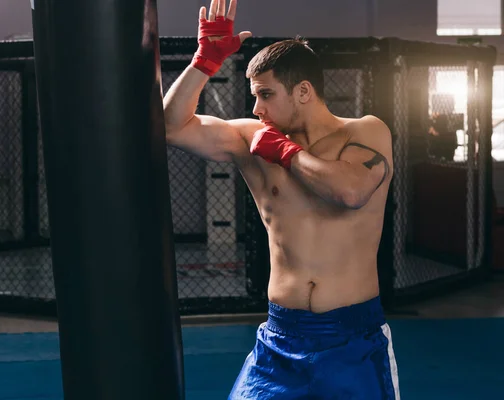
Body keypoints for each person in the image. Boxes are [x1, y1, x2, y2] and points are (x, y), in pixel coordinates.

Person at [163, 0, 400, 398]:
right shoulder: (250, 136)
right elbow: (170, 128)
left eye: (266, 95)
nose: (257, 108)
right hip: (279, 340)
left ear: (304, 91)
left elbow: (351, 190)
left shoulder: (365, 132)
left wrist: (286, 153)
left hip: (354, 340)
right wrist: (203, 63)